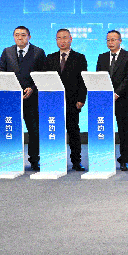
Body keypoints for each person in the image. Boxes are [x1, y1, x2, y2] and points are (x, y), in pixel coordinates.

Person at [0, 25, 47, 171]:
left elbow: (43, 74)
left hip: (31, 98)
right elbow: (1, 70)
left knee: (34, 130)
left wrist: (33, 88)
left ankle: (34, 159)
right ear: (13, 37)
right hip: (11, 99)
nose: (20, 38)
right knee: (11, 128)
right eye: (17, 35)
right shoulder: (7, 51)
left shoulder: (38, 52)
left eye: (23, 35)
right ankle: (12, 159)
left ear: (29, 37)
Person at [44, 28, 87, 172]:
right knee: (54, 131)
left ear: (71, 39)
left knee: (73, 131)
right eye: (59, 38)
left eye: (64, 38)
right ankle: (55, 160)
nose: (62, 41)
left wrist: (81, 99)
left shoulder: (79, 57)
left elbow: (83, 81)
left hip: (72, 101)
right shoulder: (50, 58)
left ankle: (76, 161)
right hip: (53, 102)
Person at [97, 30, 128, 171]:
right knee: (104, 129)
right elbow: (98, 76)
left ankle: (124, 160)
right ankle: (104, 159)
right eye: (108, 40)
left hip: (122, 98)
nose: (110, 42)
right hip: (105, 99)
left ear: (120, 41)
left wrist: (117, 93)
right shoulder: (102, 57)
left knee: (123, 130)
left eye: (113, 40)